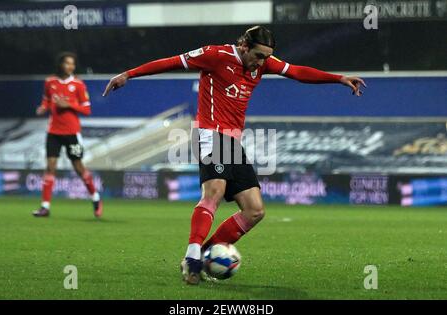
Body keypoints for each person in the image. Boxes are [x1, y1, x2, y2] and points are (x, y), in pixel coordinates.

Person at [102, 26, 366, 284]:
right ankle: (192, 257)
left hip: (233, 142)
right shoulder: (215, 55)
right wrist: (129, 74)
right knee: (214, 194)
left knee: (254, 211)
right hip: (210, 134)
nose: (262, 62)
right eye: (258, 55)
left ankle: (205, 254)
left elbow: (297, 72)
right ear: (243, 46)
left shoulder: (263, 63)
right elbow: (172, 62)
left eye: (266, 57)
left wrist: (338, 78)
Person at [32, 52, 103, 218]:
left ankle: (95, 197)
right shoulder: (50, 82)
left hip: (72, 133)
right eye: (67, 63)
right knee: (50, 167)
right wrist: (42, 107)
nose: (70, 66)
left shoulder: (78, 85)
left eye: (72, 64)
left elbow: (86, 109)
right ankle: (45, 206)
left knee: (79, 168)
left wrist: (69, 104)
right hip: (54, 132)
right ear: (61, 65)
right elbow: (47, 100)